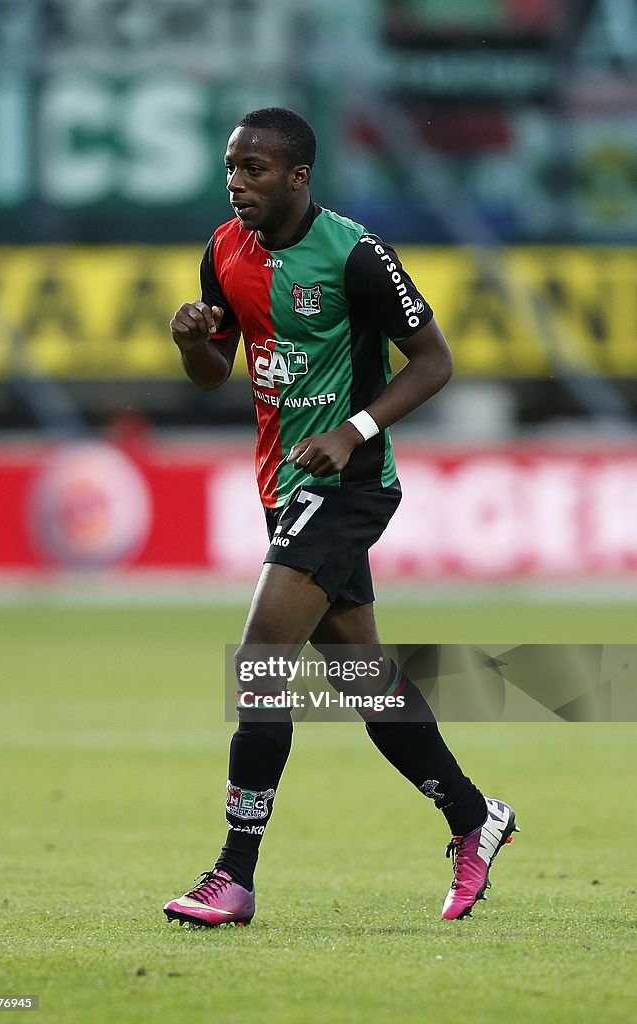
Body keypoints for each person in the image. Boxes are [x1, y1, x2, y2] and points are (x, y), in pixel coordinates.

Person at [163, 107, 518, 927]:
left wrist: (354, 428)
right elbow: (214, 374)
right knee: (366, 681)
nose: (236, 183)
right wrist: (190, 341)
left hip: (350, 481)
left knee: (258, 662)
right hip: (282, 485)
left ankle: (233, 874)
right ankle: (475, 819)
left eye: (254, 170)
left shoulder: (355, 253)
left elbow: (434, 362)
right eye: (229, 168)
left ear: (298, 176)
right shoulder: (224, 250)